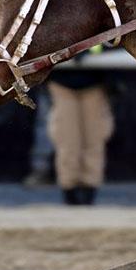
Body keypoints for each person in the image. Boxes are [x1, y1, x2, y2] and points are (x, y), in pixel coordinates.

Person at [47, 55, 114, 205]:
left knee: (94, 139)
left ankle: (90, 189)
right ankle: (69, 189)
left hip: (95, 83)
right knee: (67, 140)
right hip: (62, 84)